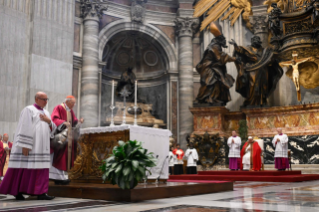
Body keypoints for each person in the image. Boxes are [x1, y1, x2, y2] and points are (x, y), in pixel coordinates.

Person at [0, 92, 56, 200]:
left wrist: (49, 122)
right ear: (36, 99)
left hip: (42, 146)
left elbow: (53, 129)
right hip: (32, 146)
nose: (46, 101)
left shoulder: (47, 113)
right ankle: (17, 192)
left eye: (46, 99)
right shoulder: (29, 110)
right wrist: (25, 145)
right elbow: (24, 126)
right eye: (43, 99)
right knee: (23, 168)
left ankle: (41, 193)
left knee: (41, 169)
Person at [50, 95, 84, 185]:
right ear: (68, 101)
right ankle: (57, 177)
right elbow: (53, 119)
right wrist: (63, 122)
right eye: (73, 103)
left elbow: (74, 122)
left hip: (67, 139)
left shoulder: (70, 111)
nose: (74, 105)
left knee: (65, 158)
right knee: (59, 157)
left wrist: (79, 122)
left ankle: (62, 177)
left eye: (74, 103)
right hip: (60, 137)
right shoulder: (59, 107)